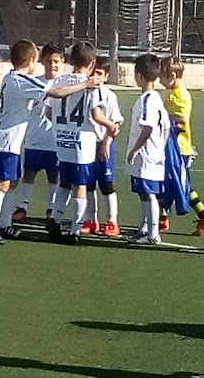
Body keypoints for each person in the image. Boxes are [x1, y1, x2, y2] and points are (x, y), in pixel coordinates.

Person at [0, 39, 100, 245]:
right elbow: (55, 92)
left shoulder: (10, 77)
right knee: (2, 183)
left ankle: (4, 224)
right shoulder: (22, 80)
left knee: (12, 182)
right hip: (6, 138)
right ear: (30, 60)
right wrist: (85, 83)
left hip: (11, 138)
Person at [46, 42, 114, 245]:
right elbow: (96, 115)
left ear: (70, 60)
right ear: (92, 63)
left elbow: (48, 112)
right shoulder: (91, 85)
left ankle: (55, 218)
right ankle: (75, 229)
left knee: (64, 182)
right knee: (80, 185)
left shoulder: (59, 81)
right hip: (82, 141)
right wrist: (110, 125)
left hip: (61, 138)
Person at [160, 57, 204, 235]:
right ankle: (163, 218)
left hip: (177, 148)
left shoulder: (178, 94)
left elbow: (182, 120)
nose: (160, 81)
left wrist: (162, 118)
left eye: (161, 77)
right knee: (169, 182)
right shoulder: (175, 92)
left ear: (171, 75)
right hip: (173, 146)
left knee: (178, 184)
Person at [13, 42, 65, 223]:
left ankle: (51, 208)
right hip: (34, 138)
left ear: (62, 61)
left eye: (56, 61)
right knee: (29, 173)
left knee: (54, 176)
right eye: (49, 61)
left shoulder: (65, 84)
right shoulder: (34, 82)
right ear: (42, 61)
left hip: (56, 142)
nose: (53, 65)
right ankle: (22, 206)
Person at [125, 54, 168, 245]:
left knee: (149, 193)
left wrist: (136, 149)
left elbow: (148, 127)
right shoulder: (155, 98)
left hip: (146, 155)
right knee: (144, 192)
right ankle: (144, 229)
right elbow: (165, 128)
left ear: (140, 76)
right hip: (154, 153)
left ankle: (153, 234)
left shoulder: (147, 99)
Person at [80, 56, 124, 238]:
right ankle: (91, 219)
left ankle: (112, 221)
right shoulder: (85, 92)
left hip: (104, 143)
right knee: (88, 184)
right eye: (93, 72)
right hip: (87, 144)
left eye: (99, 74)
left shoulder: (109, 96)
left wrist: (107, 141)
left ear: (106, 76)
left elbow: (116, 123)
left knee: (106, 184)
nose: (96, 77)